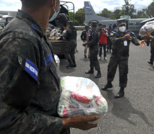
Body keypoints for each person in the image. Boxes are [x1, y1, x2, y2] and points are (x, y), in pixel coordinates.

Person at [0, 0, 99, 133]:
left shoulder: (34, 32)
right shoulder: (22, 40)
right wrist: (64, 122)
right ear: (54, 3)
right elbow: (6, 121)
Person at [102, 19, 145, 98]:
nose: (122, 27)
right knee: (110, 70)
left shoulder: (129, 33)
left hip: (124, 57)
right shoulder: (113, 33)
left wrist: (139, 42)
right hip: (114, 56)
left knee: (123, 73)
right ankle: (109, 83)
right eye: (121, 26)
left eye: (124, 25)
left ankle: (122, 90)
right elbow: (113, 40)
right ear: (117, 26)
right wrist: (122, 39)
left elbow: (135, 41)